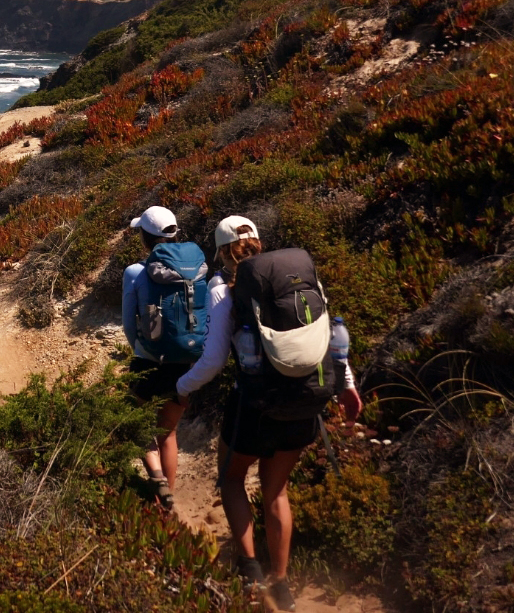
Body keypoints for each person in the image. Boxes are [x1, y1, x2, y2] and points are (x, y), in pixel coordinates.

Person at [174, 216, 362, 612]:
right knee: (276, 491)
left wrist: (183, 388)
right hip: (306, 400)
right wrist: (347, 386)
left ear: (222, 250)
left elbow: (212, 360)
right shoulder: (297, 277)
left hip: (254, 406)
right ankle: (282, 582)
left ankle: (250, 571)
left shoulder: (224, 289)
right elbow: (329, 333)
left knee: (231, 478)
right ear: (259, 242)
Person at [121, 205, 205, 510]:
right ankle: (165, 502)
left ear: (144, 238)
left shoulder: (135, 272)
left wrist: (141, 350)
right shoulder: (195, 270)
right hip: (184, 363)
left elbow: (130, 324)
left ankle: (155, 477)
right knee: (168, 432)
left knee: (137, 425)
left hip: (147, 360)